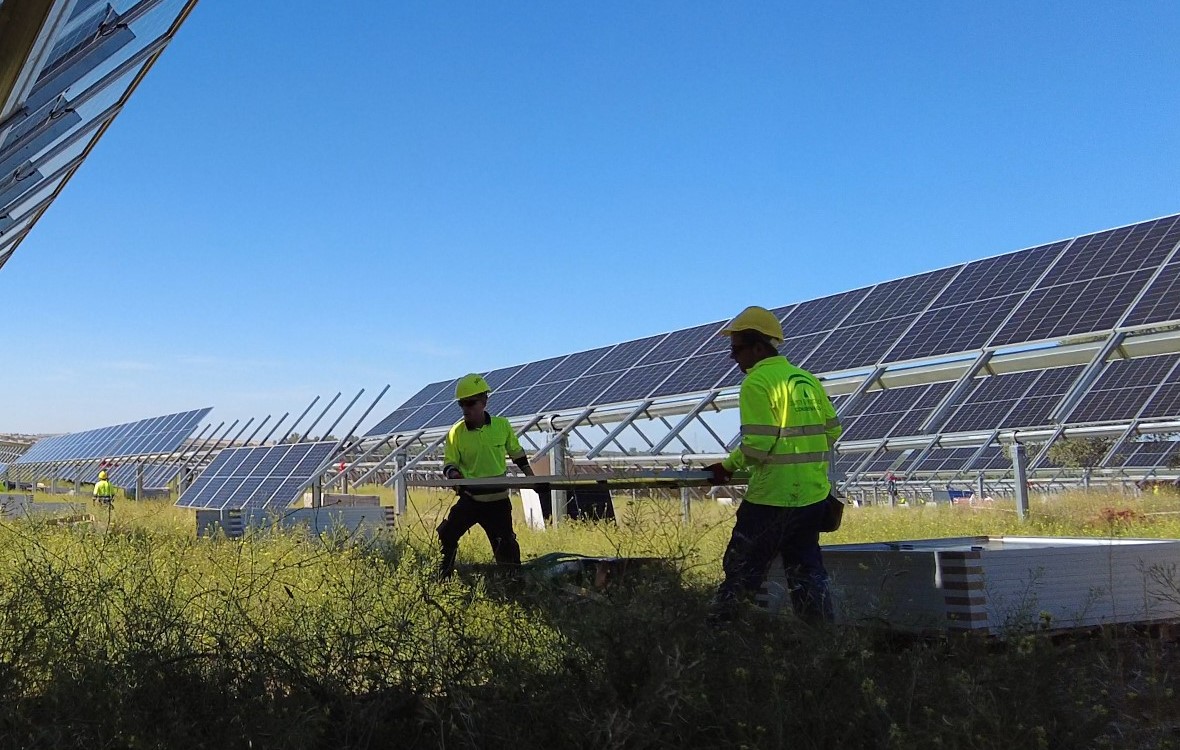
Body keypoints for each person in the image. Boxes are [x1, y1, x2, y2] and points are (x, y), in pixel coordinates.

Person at [705, 306, 843, 624]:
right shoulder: (807, 380)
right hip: (812, 499)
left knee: (742, 574)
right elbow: (833, 430)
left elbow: (757, 446)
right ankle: (822, 645)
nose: (732, 357)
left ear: (758, 347)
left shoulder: (757, 383)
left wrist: (727, 466)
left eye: (736, 349)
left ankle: (718, 638)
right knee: (808, 575)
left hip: (770, 501)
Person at [437, 373, 537, 578]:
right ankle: (443, 578)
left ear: (484, 401)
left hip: (498, 502)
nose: (466, 409)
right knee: (447, 534)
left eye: (470, 403)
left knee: (506, 547)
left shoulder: (502, 426)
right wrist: (454, 475)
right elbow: (449, 463)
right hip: (471, 499)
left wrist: (533, 479)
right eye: (461, 405)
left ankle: (514, 585)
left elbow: (517, 453)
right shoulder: (455, 433)